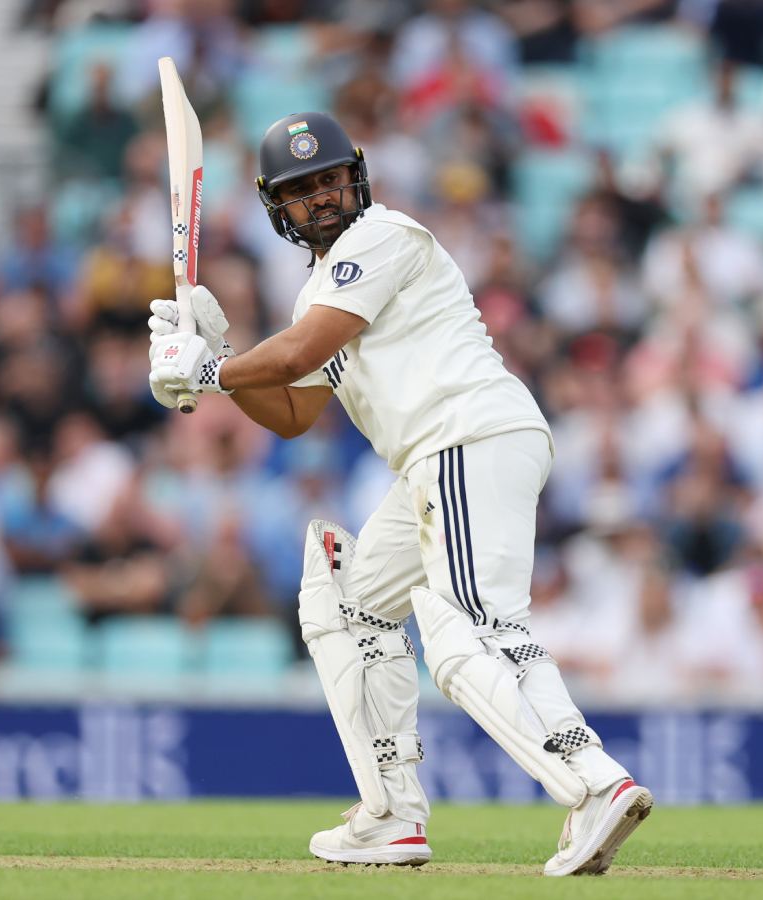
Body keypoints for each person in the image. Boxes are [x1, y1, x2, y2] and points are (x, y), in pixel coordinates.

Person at [147, 112, 651, 876]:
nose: (320, 199)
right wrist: (218, 355)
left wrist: (211, 370)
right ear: (277, 208)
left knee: (467, 633)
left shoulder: (384, 236)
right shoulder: (320, 290)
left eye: (328, 180)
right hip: (437, 462)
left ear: (356, 177)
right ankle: (390, 814)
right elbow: (291, 411)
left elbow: (298, 354)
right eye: (301, 190)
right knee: (348, 598)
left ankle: (592, 783)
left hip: (465, 436)